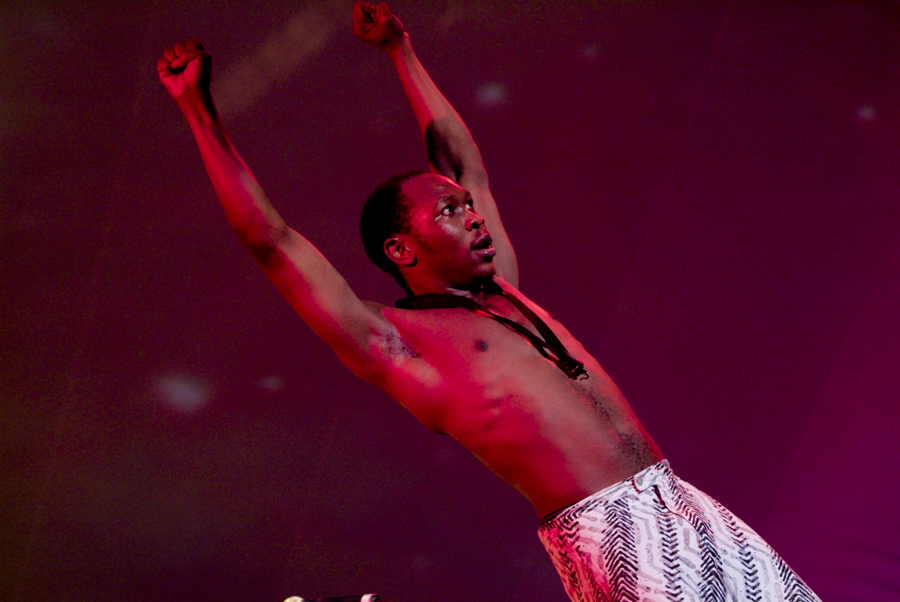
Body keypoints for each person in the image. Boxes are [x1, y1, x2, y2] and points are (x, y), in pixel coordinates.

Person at [157, 3, 820, 601]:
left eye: (468, 207)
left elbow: (464, 161)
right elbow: (270, 241)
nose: (472, 215)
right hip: (614, 530)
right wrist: (198, 110)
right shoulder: (397, 343)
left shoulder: (499, 287)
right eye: (449, 211)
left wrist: (401, 52)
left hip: (678, 498)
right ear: (401, 250)